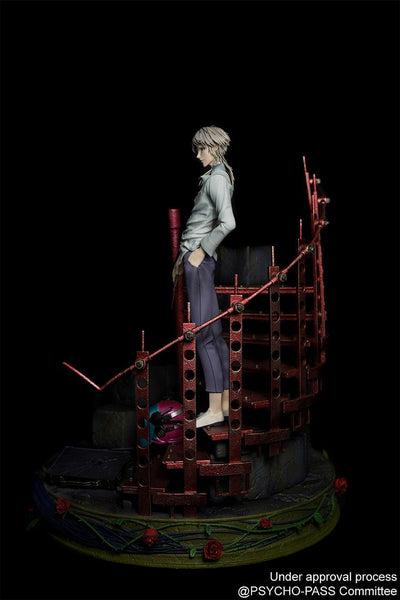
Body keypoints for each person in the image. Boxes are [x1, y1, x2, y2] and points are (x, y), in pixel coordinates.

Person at [172, 126, 236, 427]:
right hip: (200, 260)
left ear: (214, 148)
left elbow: (228, 222)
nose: (198, 155)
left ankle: (213, 410)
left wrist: (200, 250)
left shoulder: (217, 179)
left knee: (203, 335)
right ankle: (223, 404)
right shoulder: (217, 176)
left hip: (198, 260)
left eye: (201, 149)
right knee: (213, 335)